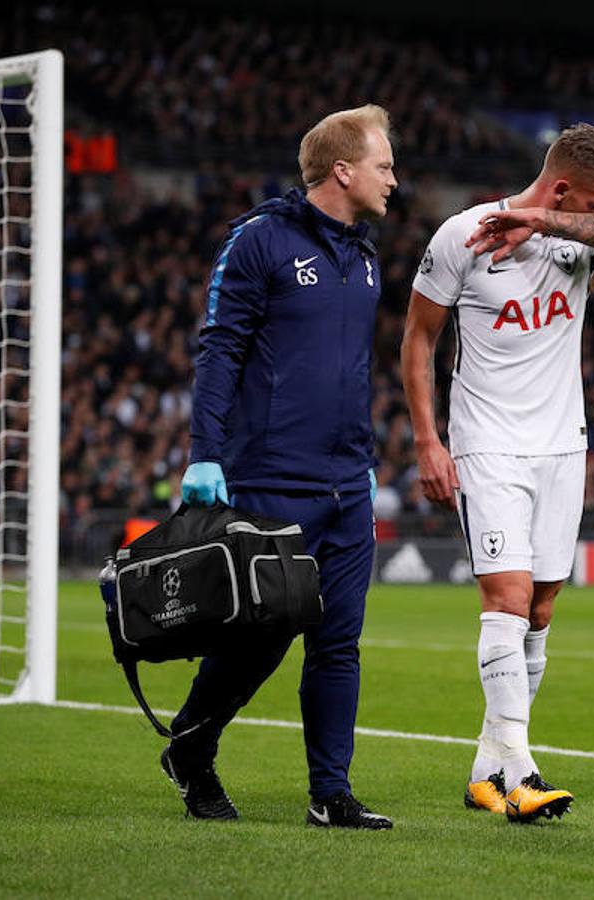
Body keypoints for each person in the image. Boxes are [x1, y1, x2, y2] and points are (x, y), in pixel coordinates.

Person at [401, 124, 594, 822]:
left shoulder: (577, 236)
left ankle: (488, 768)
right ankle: (522, 772)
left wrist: (543, 220)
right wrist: (428, 439)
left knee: (539, 610)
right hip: (487, 444)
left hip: (562, 445)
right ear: (567, 184)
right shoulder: (464, 235)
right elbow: (419, 336)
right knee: (507, 599)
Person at [160, 104, 397, 829]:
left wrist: (363, 462)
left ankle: (331, 794)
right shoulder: (258, 240)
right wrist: (205, 456)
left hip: (347, 486)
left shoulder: (364, 258)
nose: (395, 179)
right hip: (269, 481)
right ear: (343, 170)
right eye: (385, 165)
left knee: (339, 642)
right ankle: (191, 749)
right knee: (256, 643)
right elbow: (220, 348)